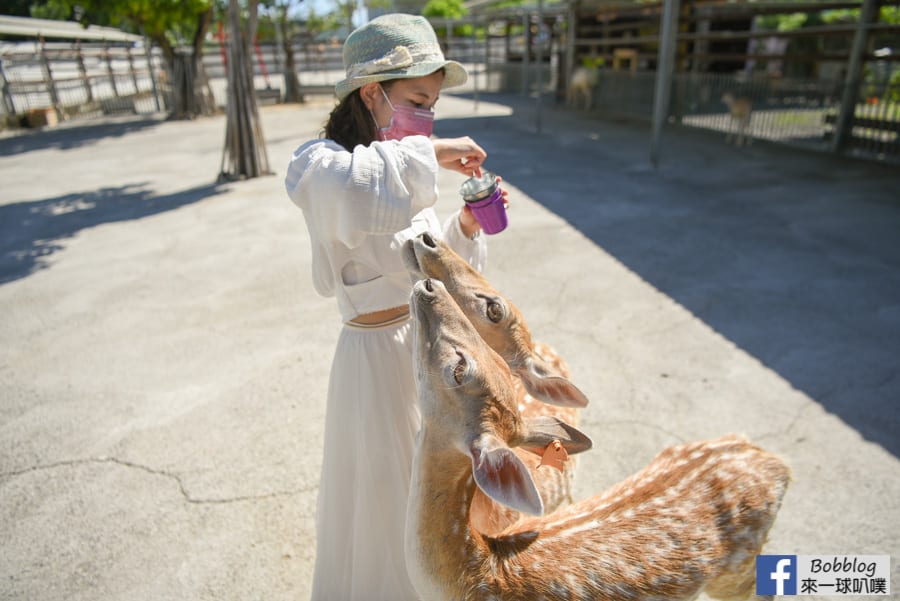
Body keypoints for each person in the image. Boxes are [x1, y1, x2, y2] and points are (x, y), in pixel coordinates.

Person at [284, 13, 508, 600]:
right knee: (385, 498)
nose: (426, 117)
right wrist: (430, 152)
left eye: (432, 105)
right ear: (371, 92)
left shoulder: (399, 167)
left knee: (433, 491)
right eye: (416, 100)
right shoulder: (324, 164)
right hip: (374, 358)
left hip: (425, 348)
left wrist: (462, 224)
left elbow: (428, 263)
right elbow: (352, 190)